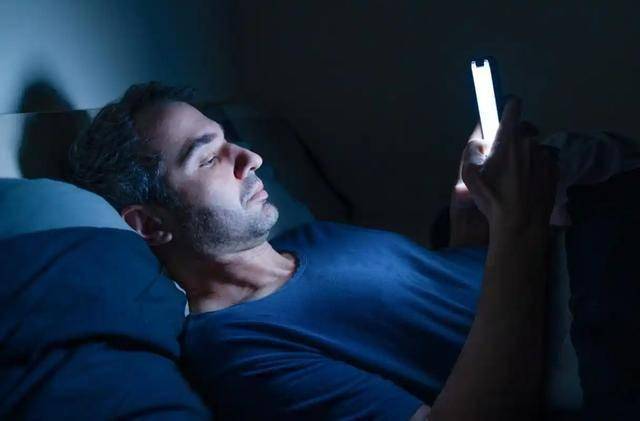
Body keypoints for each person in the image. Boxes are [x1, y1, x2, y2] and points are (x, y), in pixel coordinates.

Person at [70, 82, 557, 420]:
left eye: (229, 140)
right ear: (151, 224)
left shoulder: (312, 239)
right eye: (209, 157)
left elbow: (448, 305)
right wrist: (520, 226)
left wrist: (476, 212)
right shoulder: (240, 354)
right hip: (567, 327)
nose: (251, 158)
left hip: (544, 263)